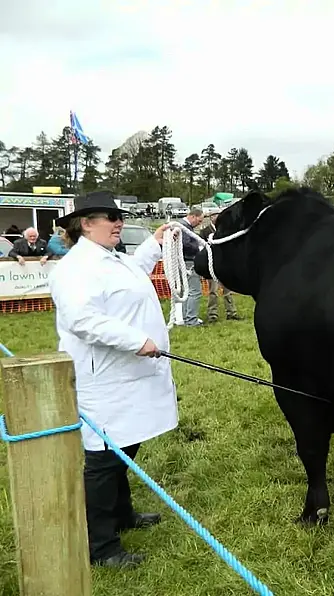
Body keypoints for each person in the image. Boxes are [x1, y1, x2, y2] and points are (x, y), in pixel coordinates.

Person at [48, 190, 178, 569]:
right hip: (105, 379)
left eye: (119, 216)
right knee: (104, 460)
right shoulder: (75, 269)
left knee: (125, 447)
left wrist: (153, 246)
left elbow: (130, 275)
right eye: (110, 217)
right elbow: (83, 320)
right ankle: (100, 546)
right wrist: (138, 341)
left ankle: (123, 514)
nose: (119, 222)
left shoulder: (106, 258)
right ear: (86, 223)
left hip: (129, 376)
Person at [199, 212, 240, 322]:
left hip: (225, 266)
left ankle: (232, 312)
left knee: (228, 291)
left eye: (218, 215)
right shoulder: (204, 232)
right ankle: (212, 314)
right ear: (210, 218)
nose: (216, 218)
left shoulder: (226, 230)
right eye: (214, 216)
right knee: (213, 291)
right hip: (212, 266)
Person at [172, 207, 204, 326]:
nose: (199, 224)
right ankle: (191, 319)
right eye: (199, 221)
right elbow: (185, 244)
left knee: (187, 291)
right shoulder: (183, 227)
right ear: (193, 216)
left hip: (182, 261)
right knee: (194, 291)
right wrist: (199, 248)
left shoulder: (181, 226)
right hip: (188, 262)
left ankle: (187, 318)